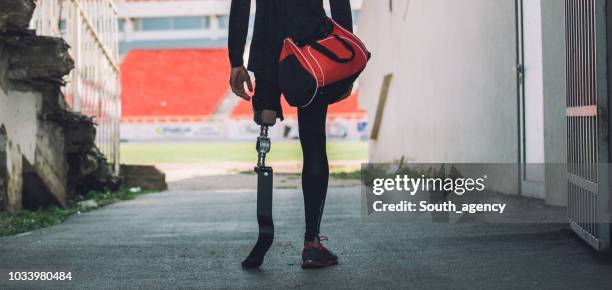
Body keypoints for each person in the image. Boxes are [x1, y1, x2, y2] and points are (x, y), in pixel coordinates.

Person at [228, 0, 353, 268]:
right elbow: (339, 4)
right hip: (311, 47)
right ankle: (312, 243)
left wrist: (235, 60)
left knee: (266, 122)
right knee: (314, 144)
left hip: (267, 48)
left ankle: (264, 233)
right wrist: (346, 51)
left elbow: (240, 5)